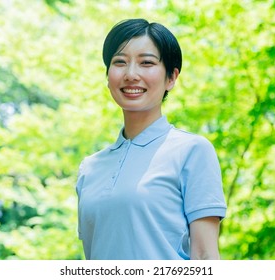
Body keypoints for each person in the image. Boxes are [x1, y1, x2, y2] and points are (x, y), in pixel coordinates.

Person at [76, 18, 227, 260]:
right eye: (120, 62)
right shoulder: (90, 168)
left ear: (171, 78)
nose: (131, 74)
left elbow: (205, 255)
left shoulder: (192, 151)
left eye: (147, 63)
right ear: (108, 76)